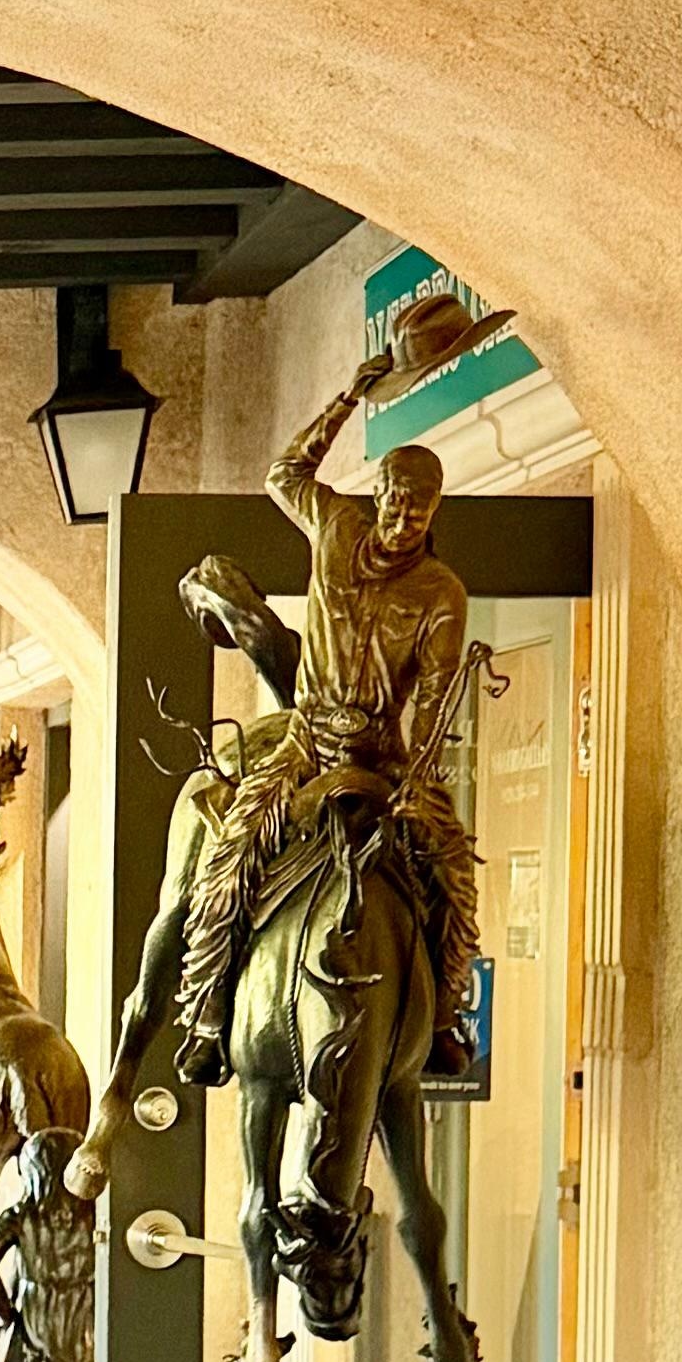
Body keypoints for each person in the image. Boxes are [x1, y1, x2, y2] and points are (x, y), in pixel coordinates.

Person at [169, 301, 498, 1091]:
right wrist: (350, 398)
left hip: (385, 758)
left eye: (417, 512)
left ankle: (446, 1016)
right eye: (392, 503)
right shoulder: (336, 525)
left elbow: (438, 695)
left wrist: (415, 782)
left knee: (454, 877)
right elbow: (285, 473)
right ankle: (208, 1008)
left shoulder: (440, 592)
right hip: (305, 743)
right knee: (231, 854)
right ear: (376, 496)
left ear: (433, 514)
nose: (400, 521)